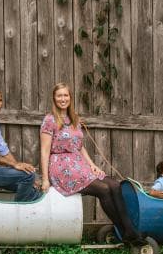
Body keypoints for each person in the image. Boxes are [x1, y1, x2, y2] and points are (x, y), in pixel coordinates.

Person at [39, 82, 144, 244]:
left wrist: (92, 165)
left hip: (78, 164)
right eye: (59, 95)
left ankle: (129, 230)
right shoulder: (50, 120)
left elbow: (79, 147)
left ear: (70, 98)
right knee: (103, 189)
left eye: (66, 95)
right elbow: (45, 150)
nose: (63, 99)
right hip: (61, 167)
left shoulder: (74, 119)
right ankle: (126, 232)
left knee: (115, 185)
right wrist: (45, 178)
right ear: (54, 98)